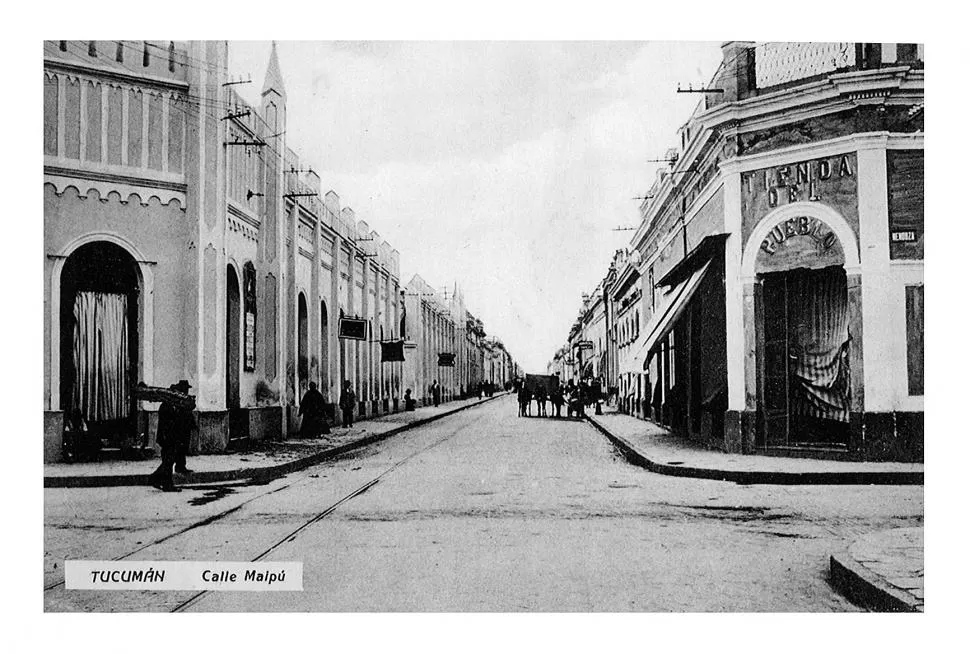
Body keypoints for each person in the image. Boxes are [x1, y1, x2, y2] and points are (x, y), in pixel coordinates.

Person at [148, 380, 195, 492]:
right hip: (167, 438)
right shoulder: (166, 406)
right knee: (168, 461)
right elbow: (165, 424)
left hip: (173, 438)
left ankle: (156, 479)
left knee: (169, 461)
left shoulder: (177, 406)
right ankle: (165, 484)